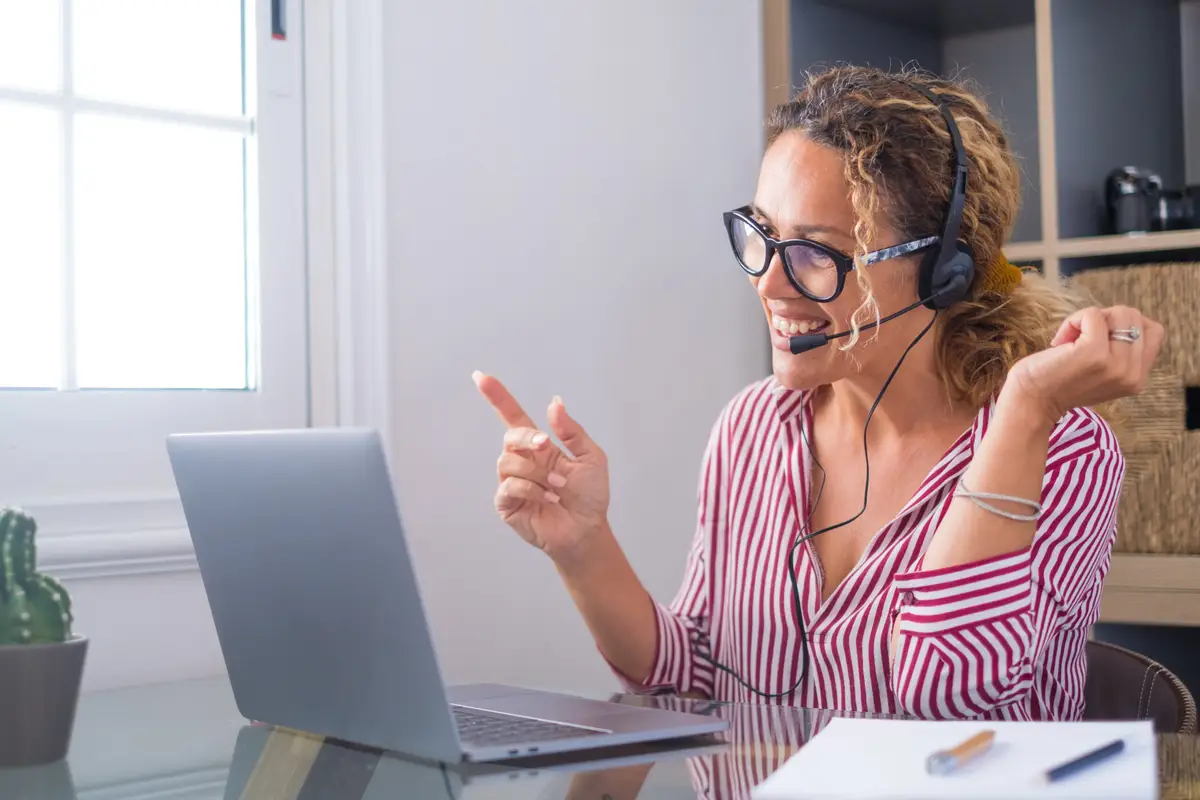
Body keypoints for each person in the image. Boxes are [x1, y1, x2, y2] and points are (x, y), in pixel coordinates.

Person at [473, 65, 1164, 720]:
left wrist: (1025, 410)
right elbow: (699, 677)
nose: (769, 283)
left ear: (940, 273)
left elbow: (944, 696)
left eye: (815, 253)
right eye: (761, 236)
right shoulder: (753, 428)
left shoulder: (1062, 450)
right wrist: (583, 546)